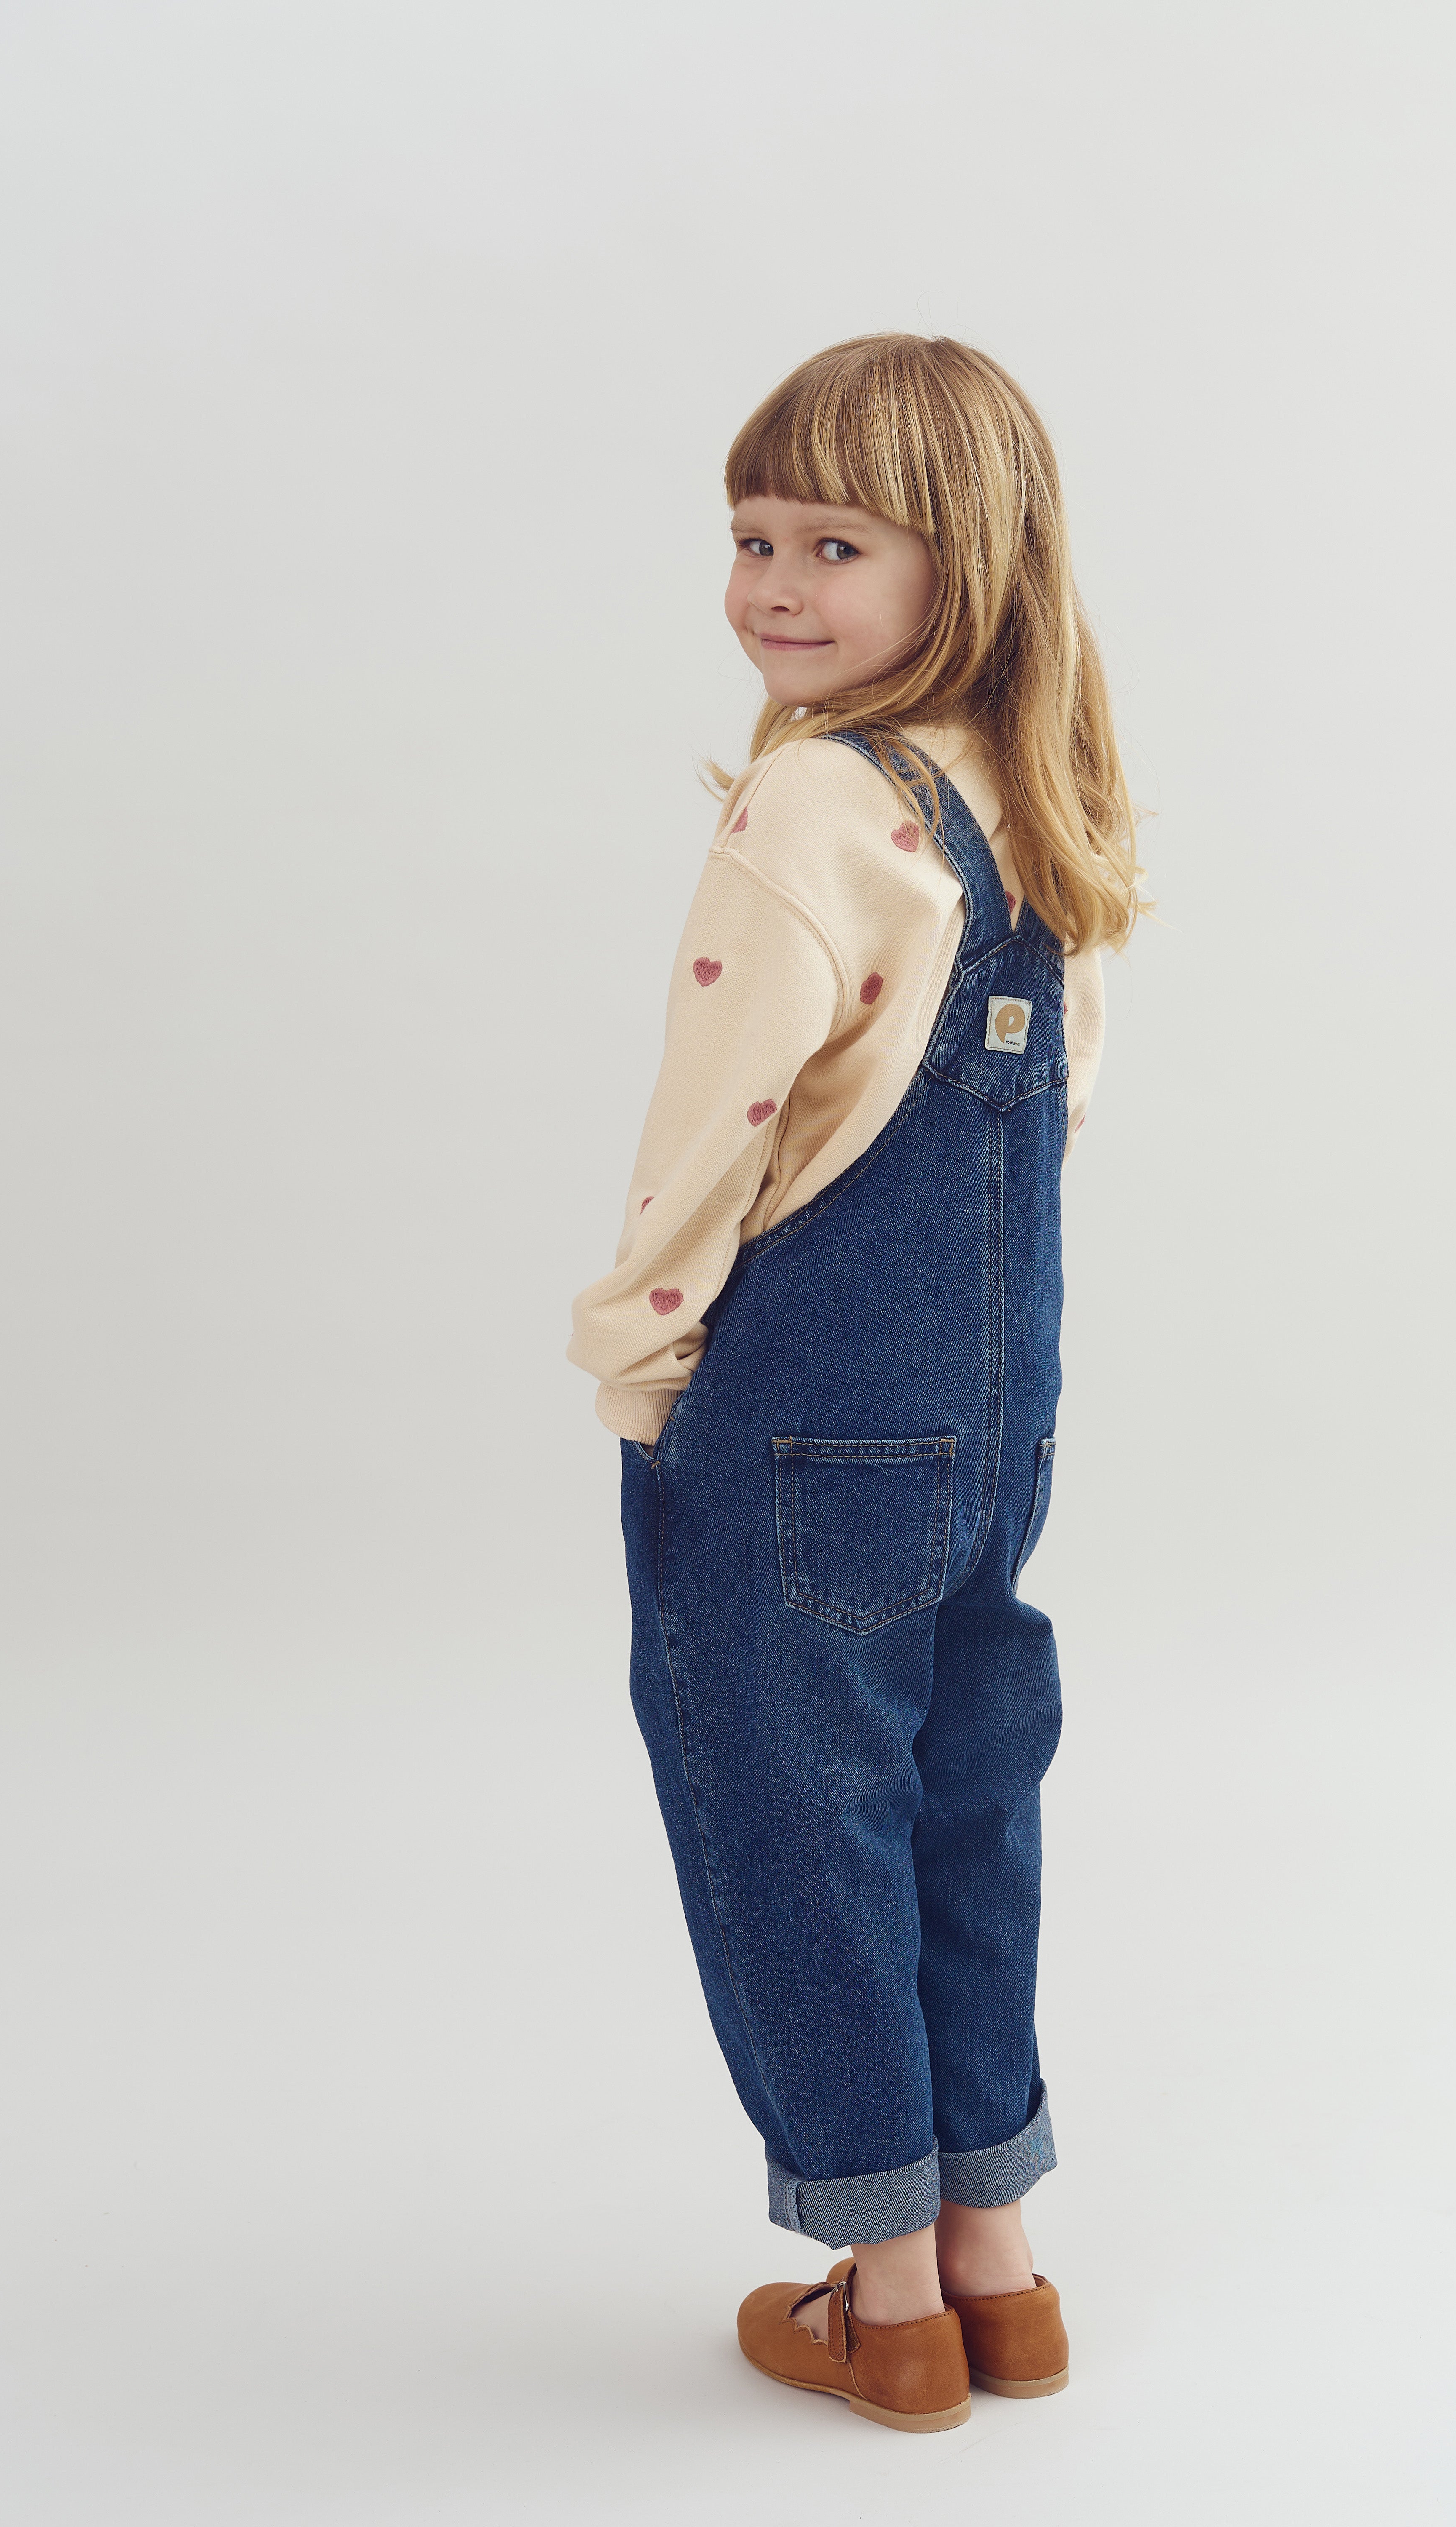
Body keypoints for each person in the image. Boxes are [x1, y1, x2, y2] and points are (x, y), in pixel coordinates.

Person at [568, 333, 1141, 2433]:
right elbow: (1058, 1110)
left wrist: (638, 1345)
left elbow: (719, 1118)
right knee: (963, 1792)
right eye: (749, 537)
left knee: (799, 1811)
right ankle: (1004, 2262)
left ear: (963, 562)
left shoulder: (816, 801)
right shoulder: (1036, 796)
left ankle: (882, 2297)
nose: (773, 585)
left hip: (804, 1413)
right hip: (994, 1418)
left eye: (834, 543)